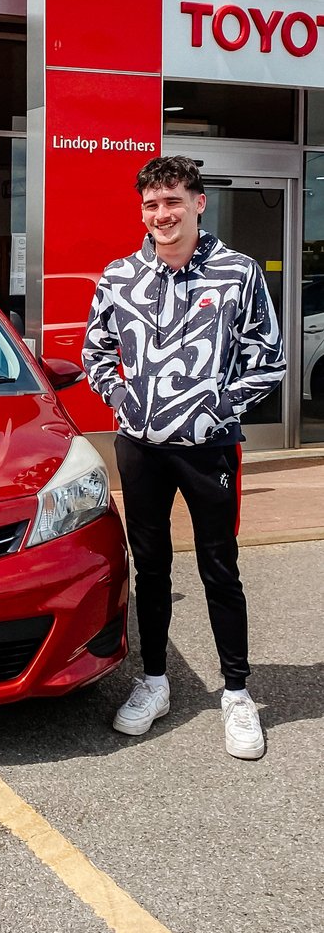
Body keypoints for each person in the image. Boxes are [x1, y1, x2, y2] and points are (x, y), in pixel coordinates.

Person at [82, 155, 285, 759]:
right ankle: (154, 683)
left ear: (199, 203)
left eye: (172, 201)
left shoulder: (238, 273)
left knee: (220, 569)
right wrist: (123, 399)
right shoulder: (120, 276)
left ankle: (237, 694)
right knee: (151, 568)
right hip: (141, 449)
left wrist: (216, 407)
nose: (161, 214)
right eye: (151, 205)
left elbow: (268, 358)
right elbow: (96, 351)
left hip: (208, 449)